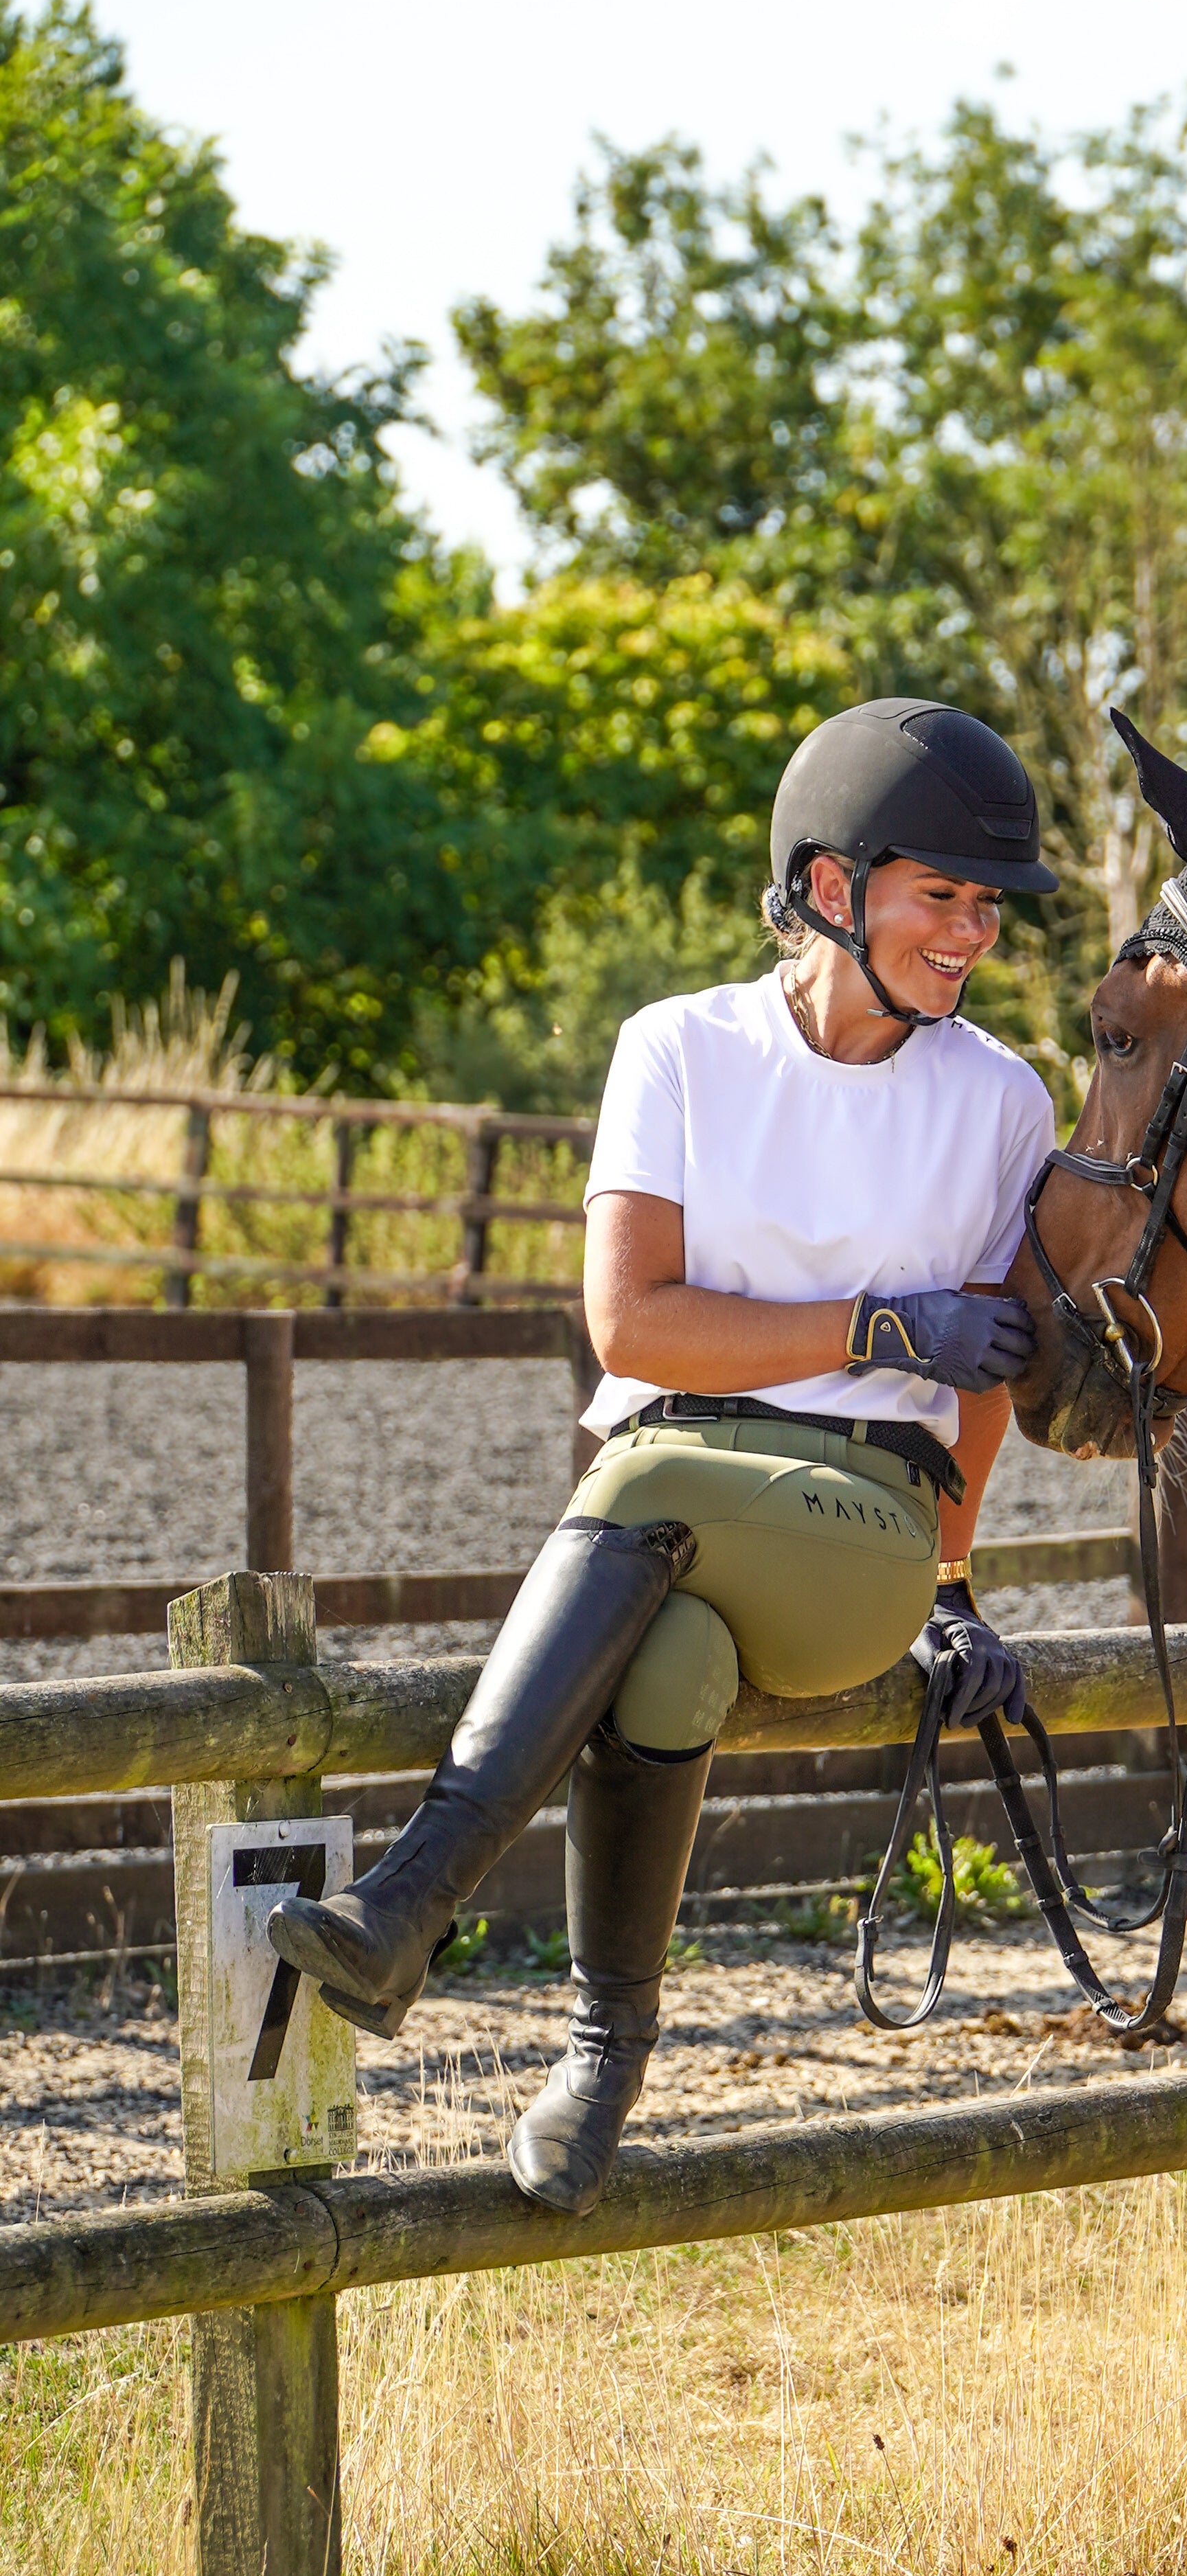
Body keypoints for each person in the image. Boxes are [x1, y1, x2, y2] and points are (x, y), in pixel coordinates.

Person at [268, 697, 1057, 2215]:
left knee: (637, 1480)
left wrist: (955, 1580)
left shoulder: (1004, 1102)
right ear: (829, 887)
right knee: (669, 1667)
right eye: (944, 895)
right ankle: (603, 2058)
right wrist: (882, 1325)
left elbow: (987, 1384)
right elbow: (634, 1322)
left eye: (989, 906)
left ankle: (409, 1902)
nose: (974, 934)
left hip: (860, 1533)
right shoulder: (680, 1049)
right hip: (673, 1526)